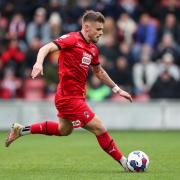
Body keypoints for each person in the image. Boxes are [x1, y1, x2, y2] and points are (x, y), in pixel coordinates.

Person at [5, 10, 132, 171]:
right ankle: (125, 163)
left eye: (102, 29)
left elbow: (99, 71)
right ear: (86, 27)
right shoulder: (72, 39)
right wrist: (38, 63)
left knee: (63, 130)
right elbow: (46, 47)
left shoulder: (93, 49)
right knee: (99, 127)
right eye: (98, 29)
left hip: (74, 96)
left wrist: (117, 89)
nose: (101, 33)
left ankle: (21, 130)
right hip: (69, 98)